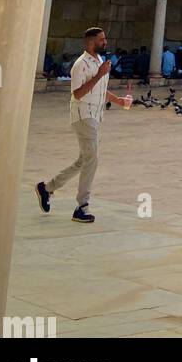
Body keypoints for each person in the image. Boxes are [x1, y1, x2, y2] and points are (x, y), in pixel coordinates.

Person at [36, 26, 133, 224]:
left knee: (84, 159)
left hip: (96, 116)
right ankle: (82, 206)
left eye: (105, 39)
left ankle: (46, 188)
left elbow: (100, 89)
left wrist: (119, 101)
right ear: (90, 42)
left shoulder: (99, 61)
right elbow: (78, 94)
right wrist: (99, 75)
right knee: (92, 158)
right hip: (83, 115)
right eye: (101, 39)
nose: (105, 42)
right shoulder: (80, 65)